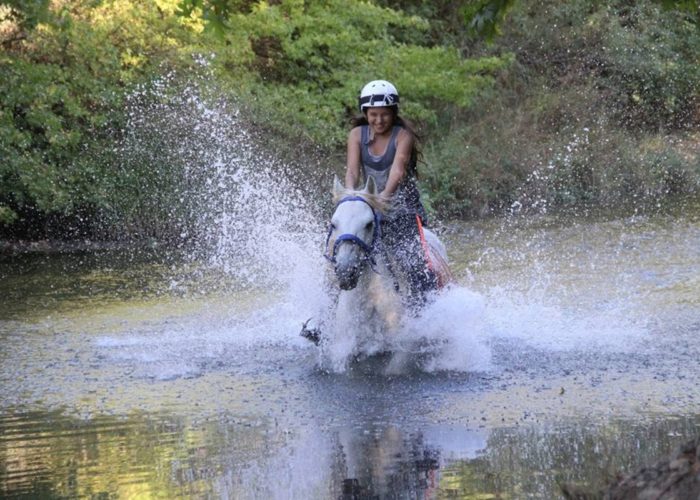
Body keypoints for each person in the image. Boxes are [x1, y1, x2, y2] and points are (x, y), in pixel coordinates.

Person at [345, 79, 438, 307]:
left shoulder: (403, 136)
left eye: (384, 114)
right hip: (369, 204)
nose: (378, 120)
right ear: (365, 113)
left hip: (402, 209)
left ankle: (426, 310)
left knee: (413, 264)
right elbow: (352, 170)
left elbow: (397, 171)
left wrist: (383, 199)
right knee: (341, 252)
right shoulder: (357, 135)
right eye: (373, 114)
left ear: (393, 113)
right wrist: (350, 196)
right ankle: (322, 319)